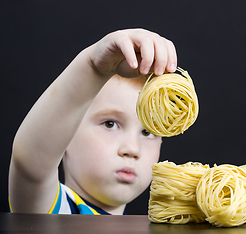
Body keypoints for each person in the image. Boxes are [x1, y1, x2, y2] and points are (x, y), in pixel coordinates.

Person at [8, 28, 177, 215]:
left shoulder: (150, 228)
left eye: (147, 132)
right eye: (110, 124)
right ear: (66, 134)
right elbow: (30, 164)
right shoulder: (58, 216)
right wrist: (93, 67)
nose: (132, 149)